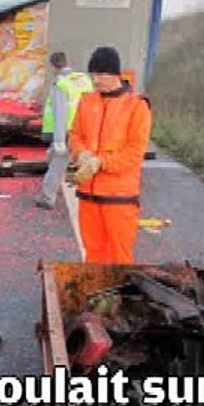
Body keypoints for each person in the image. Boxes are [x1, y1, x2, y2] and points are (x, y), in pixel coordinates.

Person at [69, 46, 153, 264]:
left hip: (119, 199)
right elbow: (75, 136)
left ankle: (120, 298)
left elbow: (134, 153)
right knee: (93, 256)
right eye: (92, 74)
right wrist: (82, 155)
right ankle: (96, 298)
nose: (95, 80)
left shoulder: (137, 106)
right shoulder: (86, 101)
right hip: (88, 196)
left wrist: (100, 162)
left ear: (115, 74)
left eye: (100, 74)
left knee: (120, 259)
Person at [34, 51, 94, 209]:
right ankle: (90, 192)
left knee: (57, 163)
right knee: (59, 159)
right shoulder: (83, 79)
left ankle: (47, 198)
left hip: (67, 130)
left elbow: (60, 113)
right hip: (85, 128)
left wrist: (59, 140)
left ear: (53, 66)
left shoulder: (61, 85)